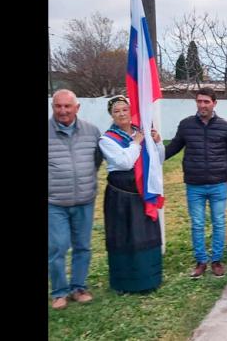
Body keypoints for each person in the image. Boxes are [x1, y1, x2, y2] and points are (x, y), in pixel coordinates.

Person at [165, 87, 227, 278]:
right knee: (197, 224)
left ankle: (217, 260)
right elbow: (173, 147)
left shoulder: (226, 127)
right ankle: (201, 261)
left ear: (214, 103)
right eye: (199, 101)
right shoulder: (186, 125)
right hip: (194, 184)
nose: (202, 105)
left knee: (219, 223)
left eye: (206, 101)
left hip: (218, 184)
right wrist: (154, 153)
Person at [98, 95, 165, 293]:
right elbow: (125, 162)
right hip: (121, 197)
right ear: (111, 115)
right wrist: (136, 143)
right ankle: (125, 283)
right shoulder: (107, 139)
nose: (121, 114)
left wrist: (158, 142)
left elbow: (158, 159)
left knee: (145, 236)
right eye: (117, 111)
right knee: (124, 237)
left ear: (131, 111)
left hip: (142, 193)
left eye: (125, 110)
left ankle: (149, 279)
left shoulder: (141, 131)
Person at [48, 89, 102, 310]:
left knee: (83, 246)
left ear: (76, 108)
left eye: (67, 106)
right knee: (57, 247)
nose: (63, 111)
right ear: (53, 108)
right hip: (55, 202)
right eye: (58, 106)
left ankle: (79, 287)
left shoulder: (91, 131)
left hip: (84, 199)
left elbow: (97, 160)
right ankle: (59, 292)